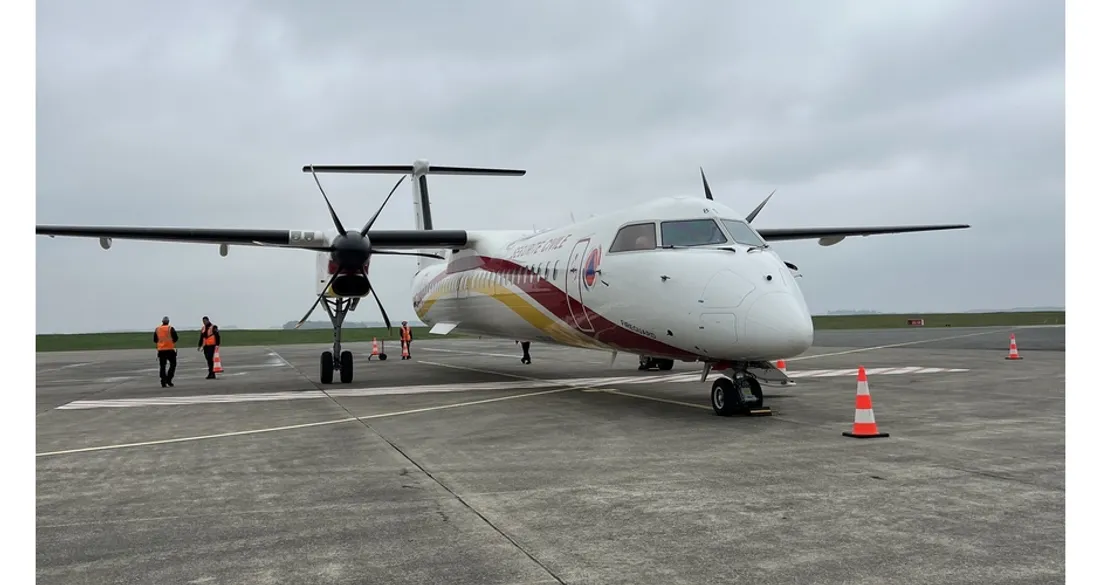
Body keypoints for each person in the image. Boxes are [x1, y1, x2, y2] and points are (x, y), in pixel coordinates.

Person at [153, 316, 179, 388]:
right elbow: (176, 338)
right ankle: (169, 379)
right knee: (173, 364)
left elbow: (155, 339)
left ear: (162, 322)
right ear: (168, 322)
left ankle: (163, 381)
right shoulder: (170, 328)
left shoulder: (157, 329)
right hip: (170, 349)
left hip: (161, 350)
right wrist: (171, 342)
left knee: (162, 366)